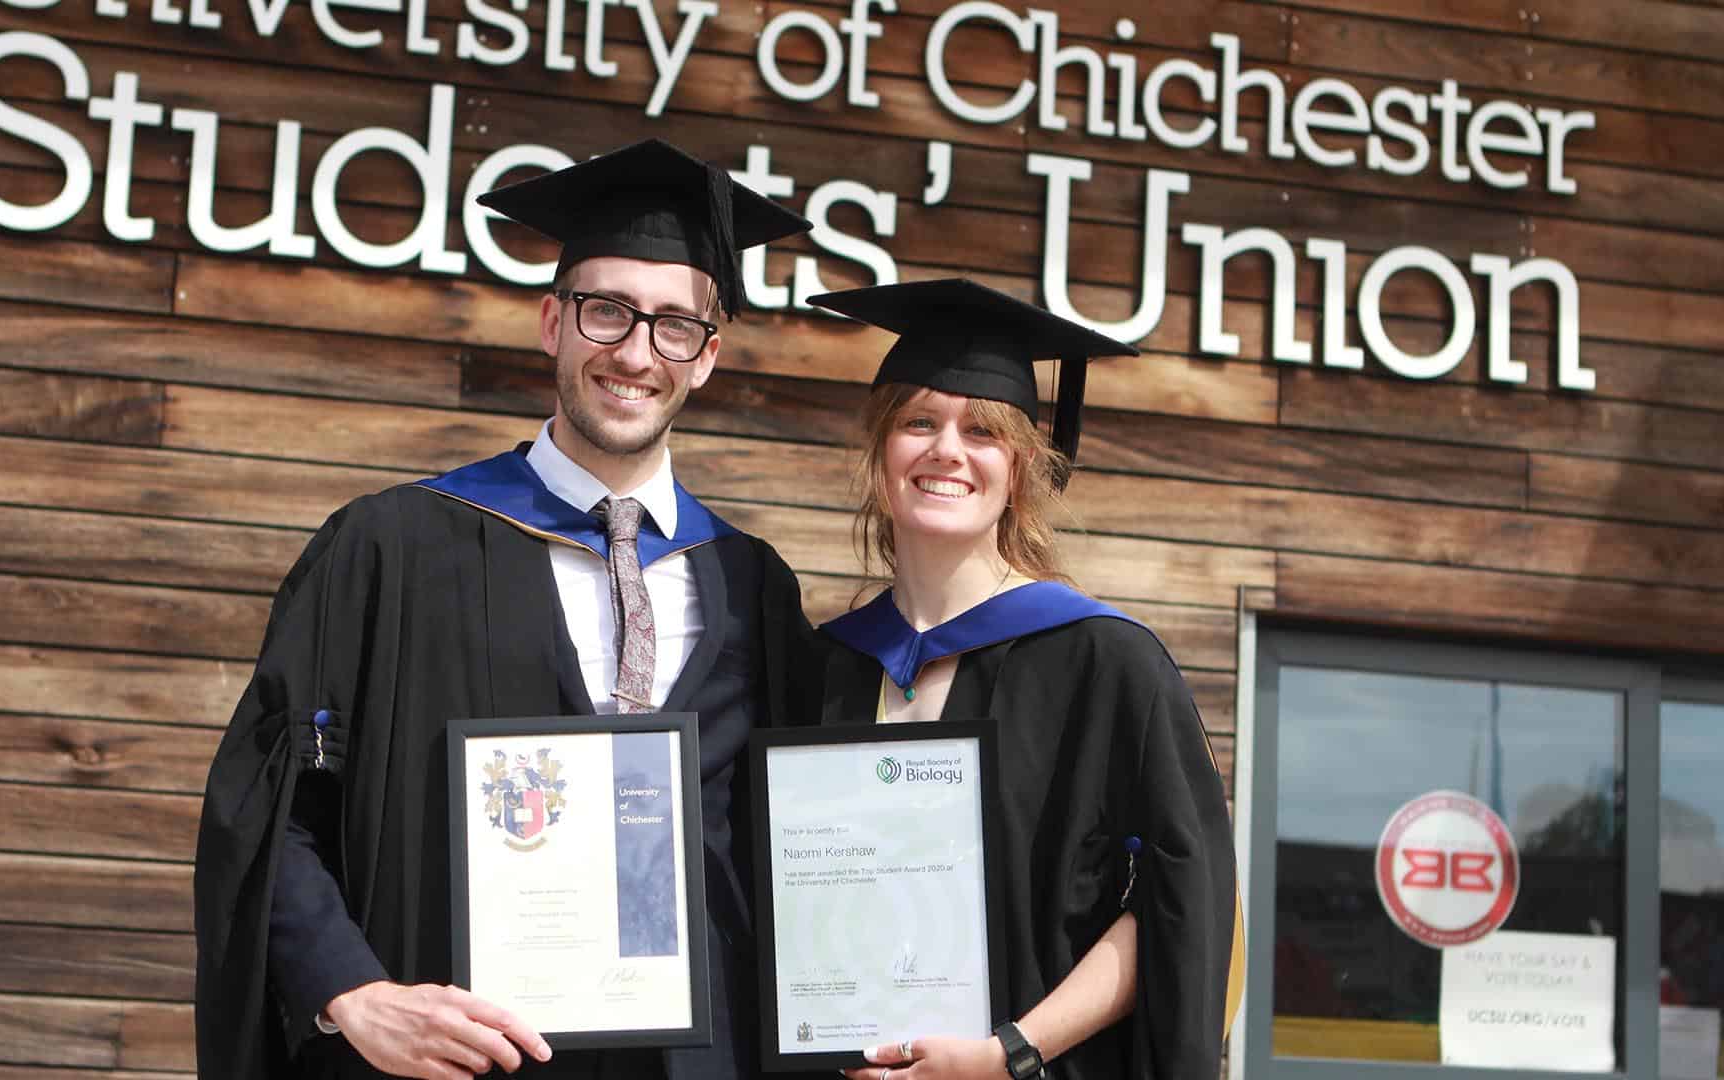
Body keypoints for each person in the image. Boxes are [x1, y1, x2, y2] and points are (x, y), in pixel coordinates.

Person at [193, 138, 817, 1080]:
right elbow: (269, 806)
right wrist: (352, 995)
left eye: (673, 327)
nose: (635, 352)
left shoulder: (753, 588)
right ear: (552, 323)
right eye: (606, 311)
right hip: (461, 1060)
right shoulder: (391, 548)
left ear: (708, 356)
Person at [801, 279, 1243, 1080]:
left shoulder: (1107, 664)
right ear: (880, 451)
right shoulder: (823, 667)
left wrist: (1010, 1052)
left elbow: (1183, 901)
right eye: (919, 422)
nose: (947, 450)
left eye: (982, 431)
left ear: (1022, 468)